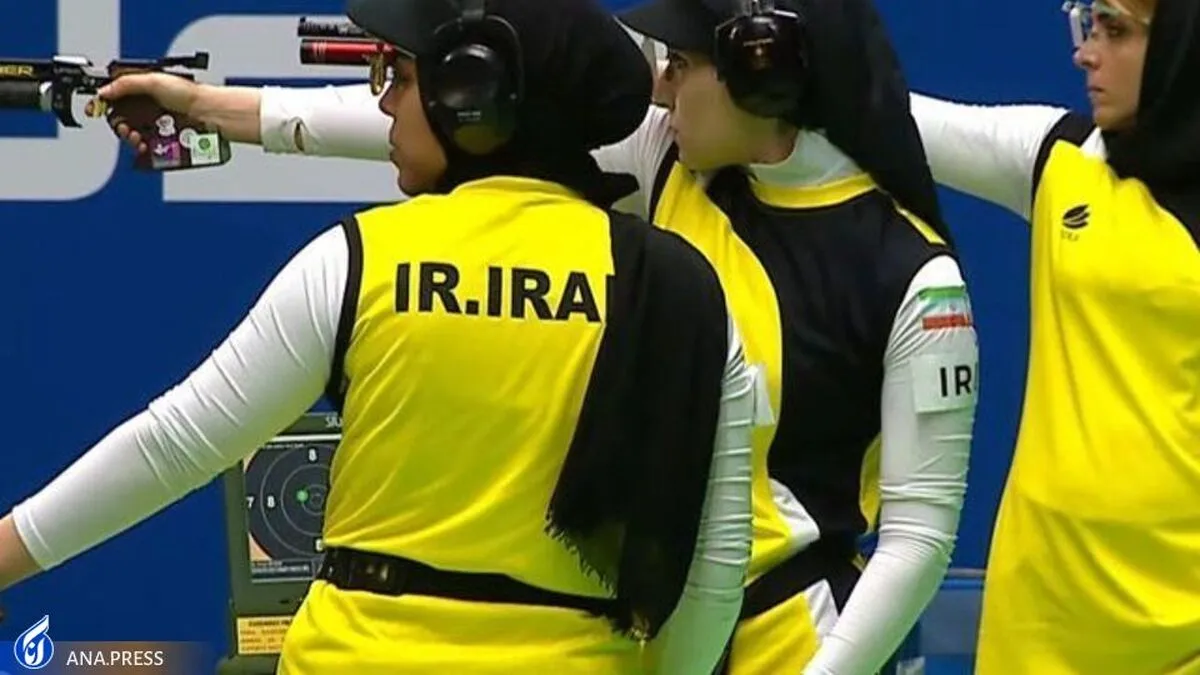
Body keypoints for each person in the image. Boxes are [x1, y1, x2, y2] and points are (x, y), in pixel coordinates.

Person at [95, 1, 980, 673]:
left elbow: (916, 539)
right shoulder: (674, 158)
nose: (661, 87)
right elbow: (436, 117)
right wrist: (209, 106)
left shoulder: (911, 275)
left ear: (766, 80)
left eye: (681, 64)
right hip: (645, 634)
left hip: (795, 639)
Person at [0, 0, 762, 673]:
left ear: (470, 101)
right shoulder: (683, 288)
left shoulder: (360, 261)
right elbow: (715, 574)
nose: (385, 105)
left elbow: (173, 444)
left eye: (398, 77)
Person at [902, 0, 1200, 672]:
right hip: (1040, 622)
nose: (1085, 53)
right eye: (1088, 25)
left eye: (1115, 30)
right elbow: (885, 116)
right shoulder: (1061, 160)